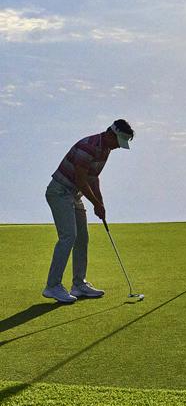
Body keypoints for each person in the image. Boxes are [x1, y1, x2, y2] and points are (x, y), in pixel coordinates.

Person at [43, 120, 135, 304]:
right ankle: (52, 286)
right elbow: (81, 179)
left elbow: (93, 178)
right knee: (68, 236)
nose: (118, 146)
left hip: (74, 195)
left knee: (82, 238)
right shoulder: (88, 146)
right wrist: (95, 204)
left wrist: (100, 203)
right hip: (59, 192)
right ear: (111, 134)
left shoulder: (105, 150)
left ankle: (78, 284)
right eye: (118, 141)